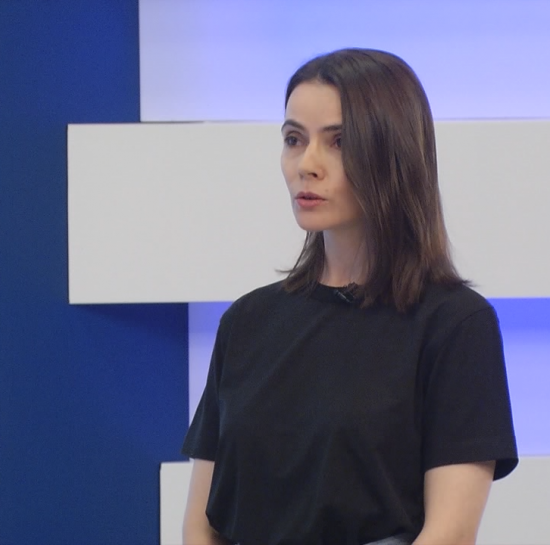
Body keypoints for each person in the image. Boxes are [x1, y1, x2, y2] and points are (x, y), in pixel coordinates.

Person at [181, 48, 518, 545]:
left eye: (339, 142)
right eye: (294, 139)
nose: (307, 165)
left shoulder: (455, 325)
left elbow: (449, 533)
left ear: (394, 153)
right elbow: (201, 524)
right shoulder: (246, 321)